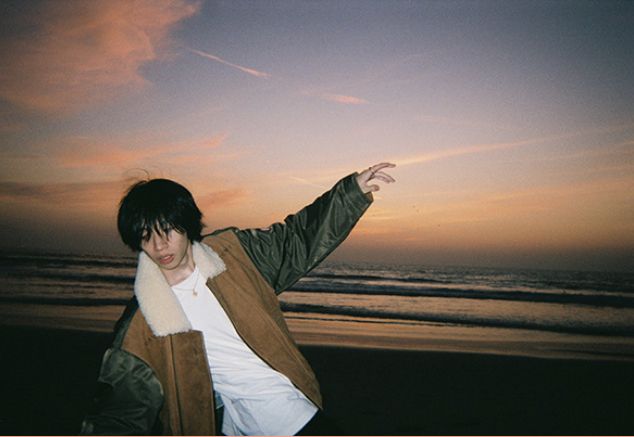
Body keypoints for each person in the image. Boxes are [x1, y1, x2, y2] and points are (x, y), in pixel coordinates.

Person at [80, 162, 396, 436]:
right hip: (233, 426)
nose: (160, 246)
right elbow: (121, 409)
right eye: (146, 236)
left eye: (168, 230)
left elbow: (295, 240)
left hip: (286, 410)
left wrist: (350, 193)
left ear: (186, 225)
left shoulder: (234, 256)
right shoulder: (143, 321)